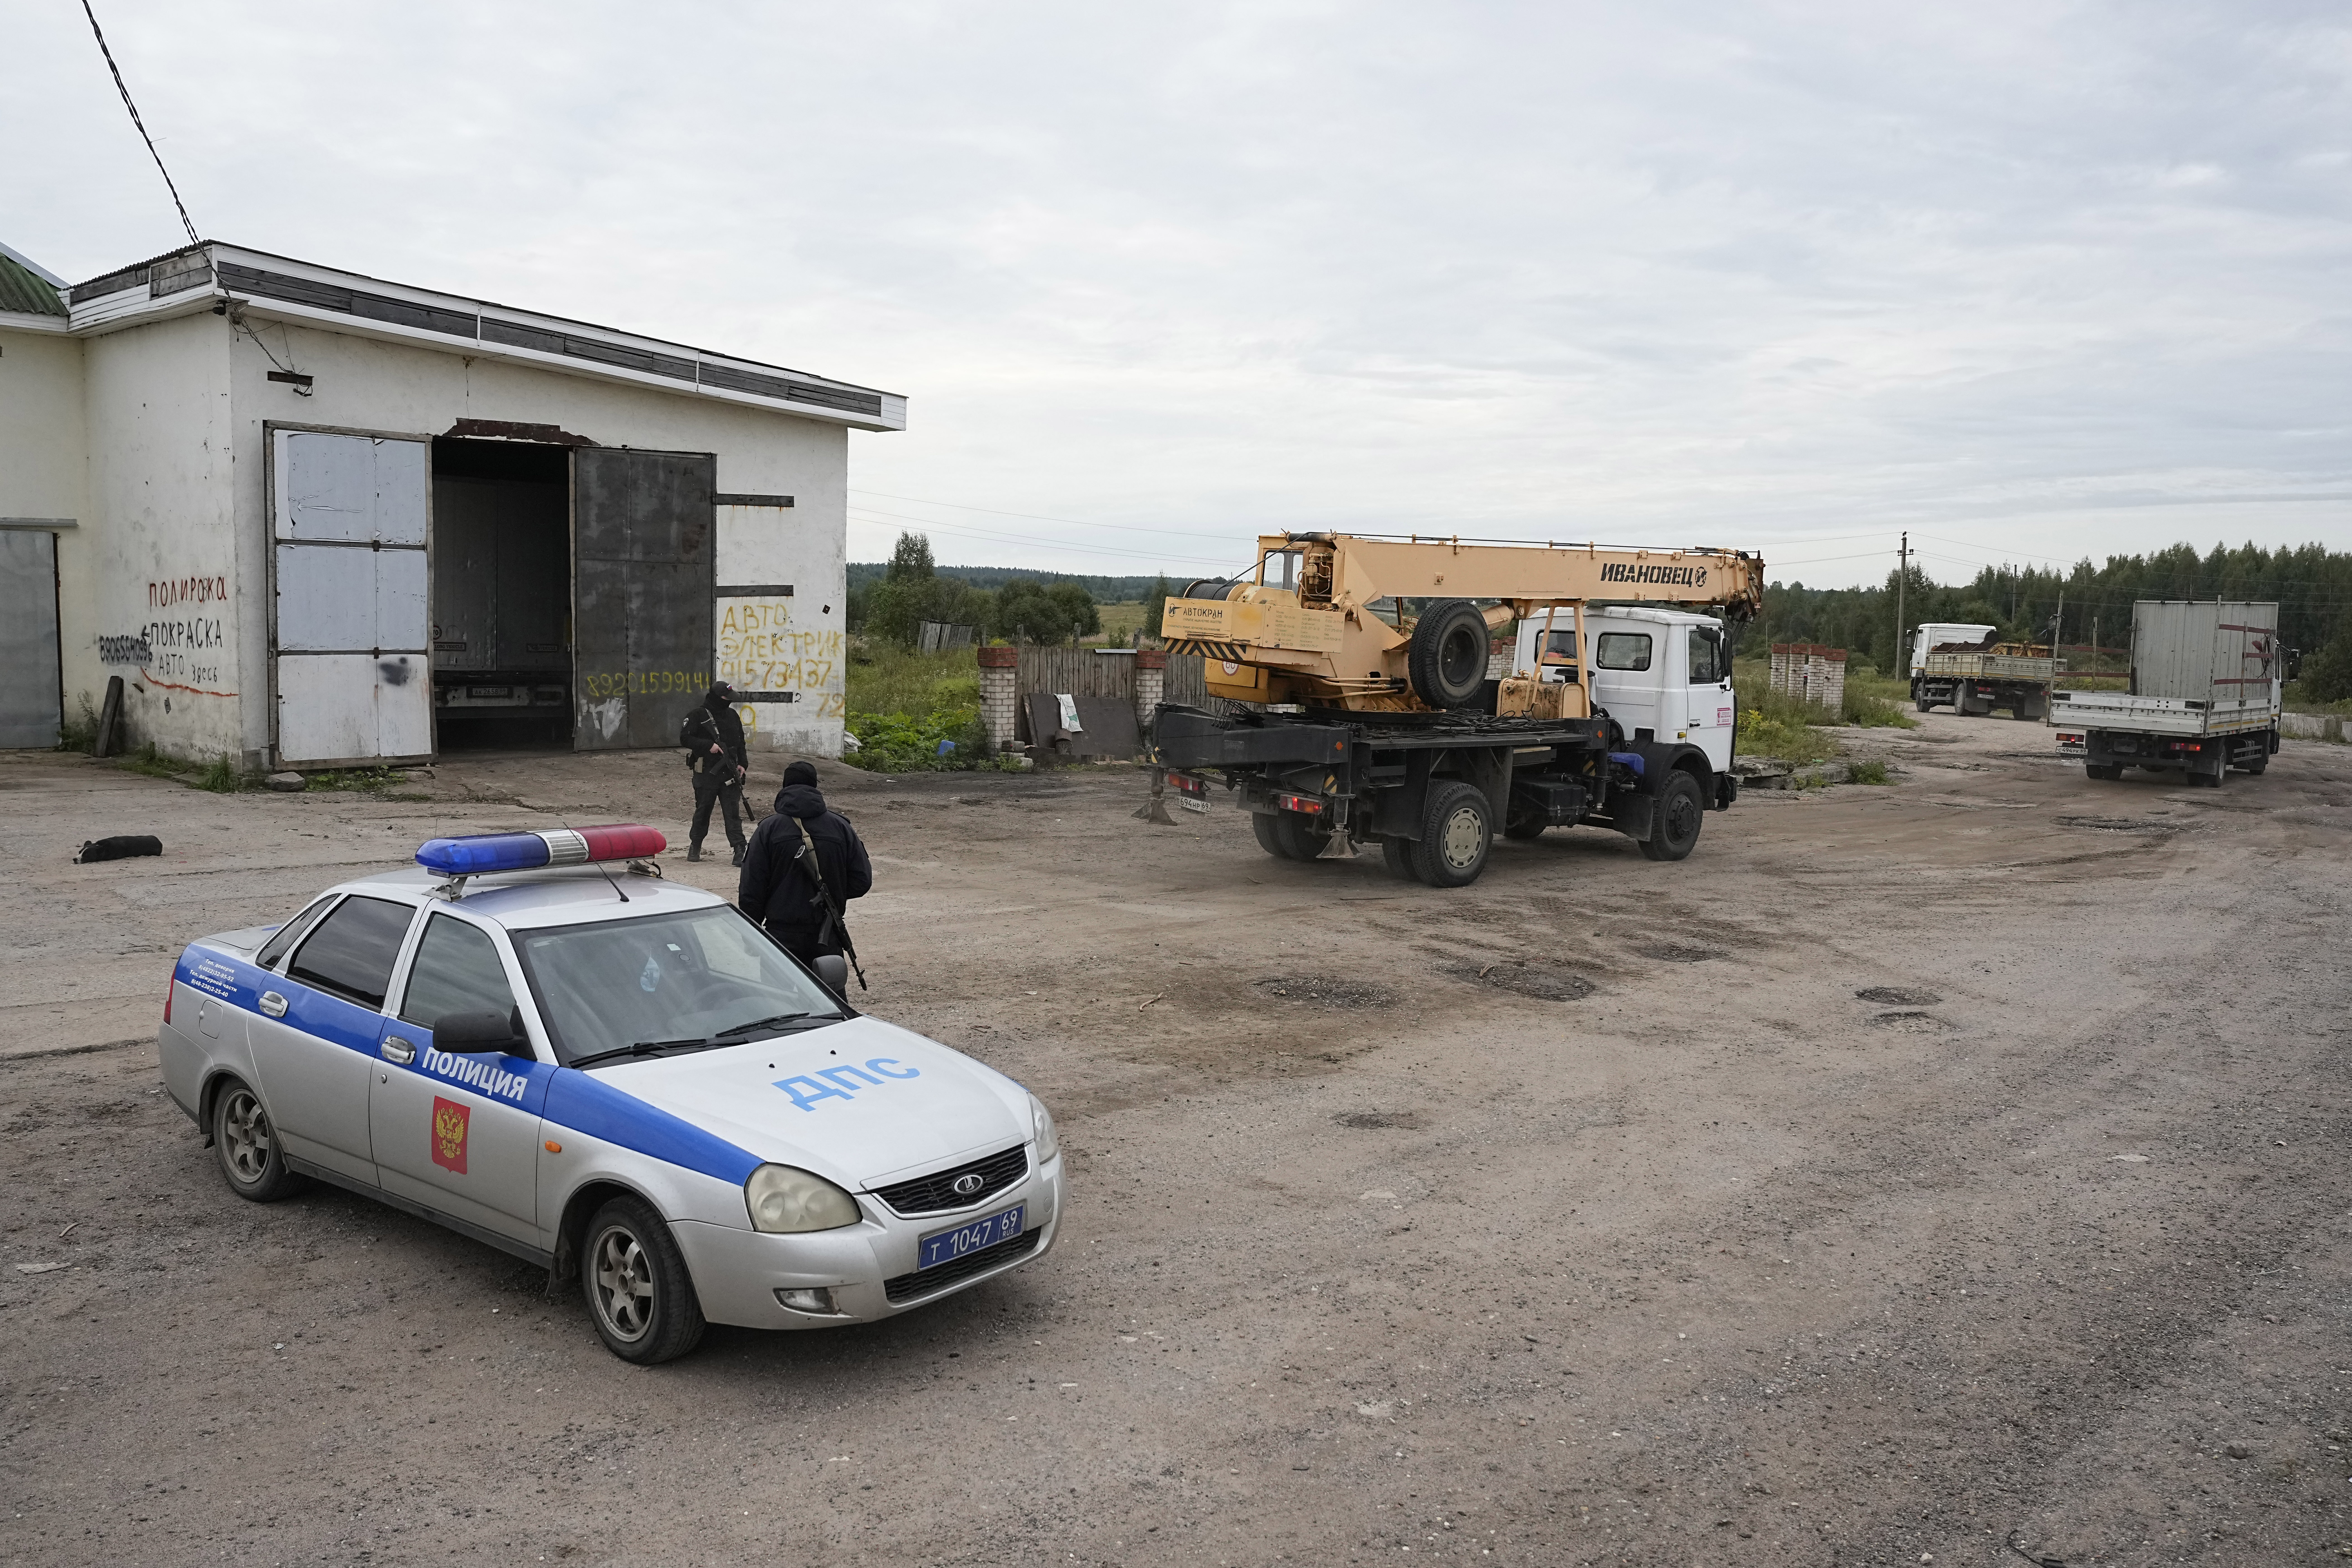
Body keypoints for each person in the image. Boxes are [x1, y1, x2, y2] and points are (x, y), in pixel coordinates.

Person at [738, 760, 872, 965]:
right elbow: (861, 880)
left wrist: (751, 933)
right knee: (829, 997)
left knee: (779, 997)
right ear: (815, 786)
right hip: (828, 934)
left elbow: (751, 889)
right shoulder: (841, 827)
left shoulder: (768, 829)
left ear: (785, 786)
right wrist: (831, 893)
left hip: (781, 937)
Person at [682, 681, 748, 865]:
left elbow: (741, 742)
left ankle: (739, 848)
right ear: (717, 698)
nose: (730, 702)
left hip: (730, 773)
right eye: (727, 698)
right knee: (703, 811)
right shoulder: (698, 715)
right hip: (706, 773)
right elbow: (685, 738)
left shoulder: (733, 716)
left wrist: (743, 764)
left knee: (733, 813)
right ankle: (696, 845)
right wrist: (708, 746)